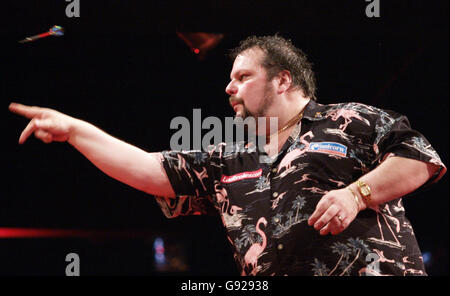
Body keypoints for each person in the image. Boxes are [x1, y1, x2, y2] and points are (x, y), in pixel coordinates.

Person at [9, 35, 446, 276]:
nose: (228, 88)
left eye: (242, 76)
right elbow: (147, 169)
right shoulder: (228, 156)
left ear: (282, 80)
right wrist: (74, 131)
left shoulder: (350, 118)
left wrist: (357, 194)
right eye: (229, 79)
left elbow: (419, 160)